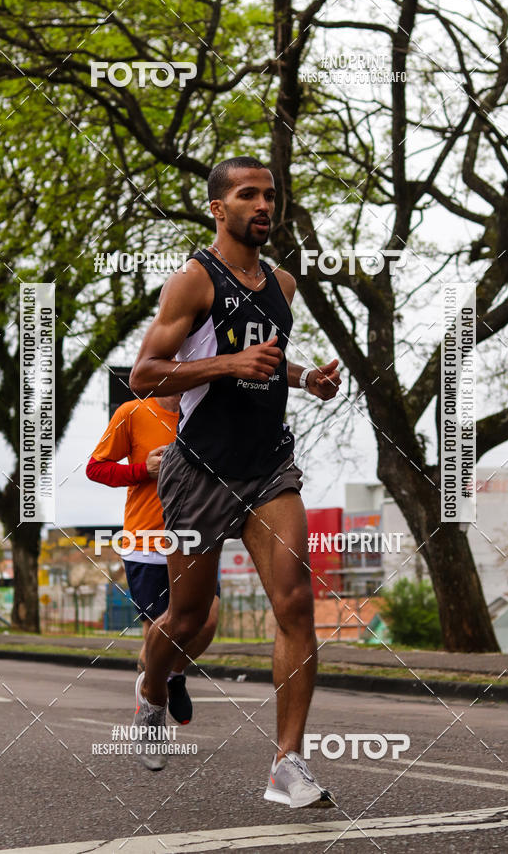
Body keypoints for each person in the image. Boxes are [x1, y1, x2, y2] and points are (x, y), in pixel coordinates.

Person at [129, 155, 341, 803]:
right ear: (218, 209)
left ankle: (287, 766)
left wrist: (306, 378)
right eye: (248, 195)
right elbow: (143, 375)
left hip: (269, 466)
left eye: (270, 196)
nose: (263, 206)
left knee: (297, 603)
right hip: (200, 472)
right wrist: (228, 365)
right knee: (189, 618)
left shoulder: (282, 283)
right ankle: (149, 687)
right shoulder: (192, 282)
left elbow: (267, 361)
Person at [86, 392, 220, 737]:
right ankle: (151, 708)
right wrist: (142, 469)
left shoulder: (209, 409)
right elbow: (96, 468)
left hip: (195, 534)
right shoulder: (132, 412)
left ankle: (171, 675)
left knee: (207, 621)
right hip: (146, 540)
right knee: (159, 631)